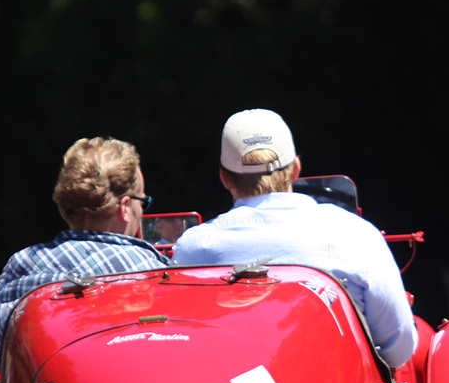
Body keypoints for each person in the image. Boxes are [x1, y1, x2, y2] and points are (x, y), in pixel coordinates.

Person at [171, 108, 418, 368]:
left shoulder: (192, 248)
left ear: (224, 177)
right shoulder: (354, 233)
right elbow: (399, 349)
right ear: (296, 169)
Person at [0, 136, 169, 366]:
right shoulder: (151, 269)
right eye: (143, 201)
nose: (141, 211)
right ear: (124, 207)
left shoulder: (21, 265)